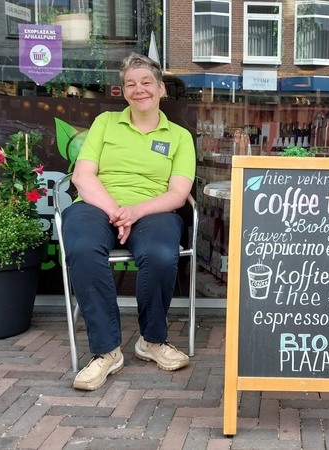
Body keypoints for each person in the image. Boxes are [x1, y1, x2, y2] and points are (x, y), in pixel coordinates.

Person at [62, 53, 196, 390]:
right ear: (123, 92)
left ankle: (151, 341)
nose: (139, 89)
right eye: (131, 84)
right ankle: (106, 351)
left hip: (152, 210)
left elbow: (178, 193)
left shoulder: (180, 136)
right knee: (82, 247)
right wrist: (116, 211)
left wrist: (134, 212)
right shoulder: (105, 122)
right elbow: (82, 175)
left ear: (161, 89)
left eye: (146, 82)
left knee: (161, 254)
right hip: (97, 205)